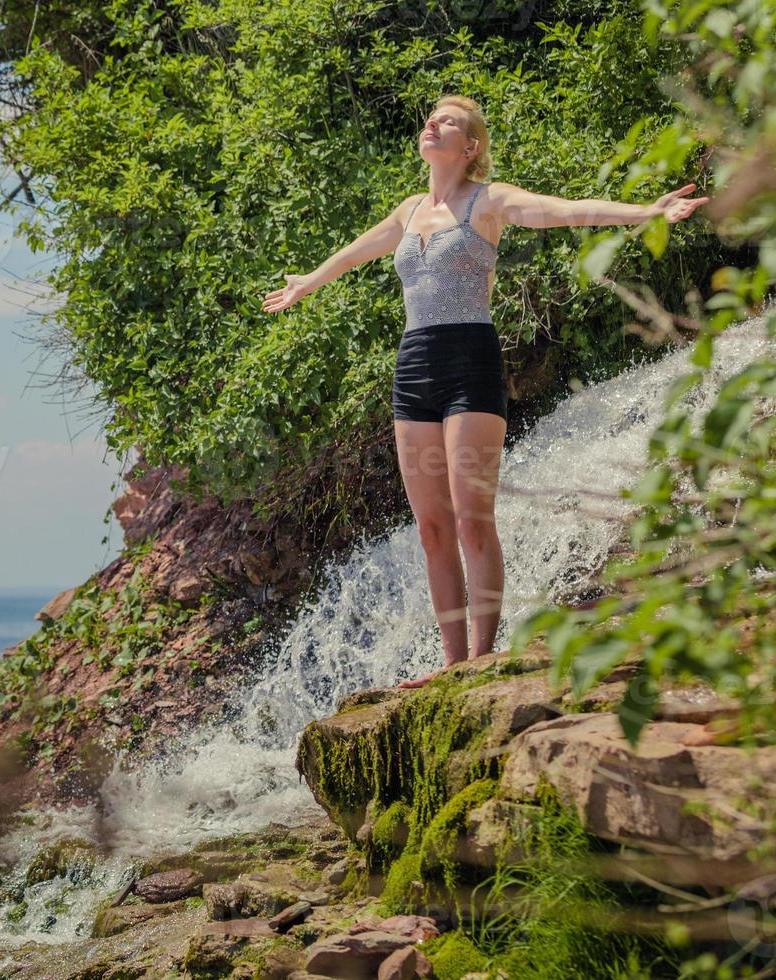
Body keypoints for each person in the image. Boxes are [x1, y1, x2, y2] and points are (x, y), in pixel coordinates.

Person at [260, 94, 709, 689]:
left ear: (470, 147)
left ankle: (481, 656)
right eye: (432, 117)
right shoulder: (410, 209)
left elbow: (566, 210)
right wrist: (308, 283)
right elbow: (356, 251)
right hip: (414, 366)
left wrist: (645, 212)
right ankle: (450, 667)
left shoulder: (488, 201)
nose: (432, 123)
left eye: (448, 121)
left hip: (470, 363)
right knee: (431, 526)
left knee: (473, 518)